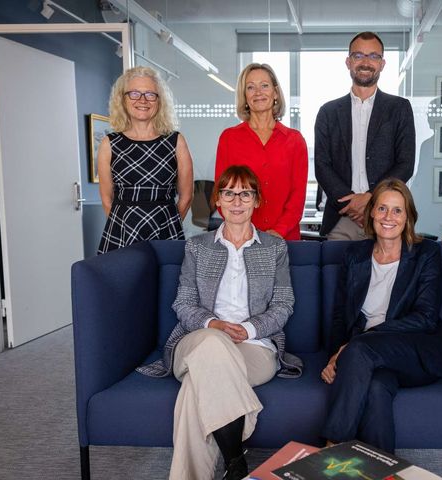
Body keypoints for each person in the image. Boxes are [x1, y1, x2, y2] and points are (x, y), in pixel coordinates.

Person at [137, 165, 302, 480]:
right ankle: (235, 456)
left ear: (256, 201)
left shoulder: (274, 247)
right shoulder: (198, 246)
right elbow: (183, 304)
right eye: (229, 193)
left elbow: (284, 305)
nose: (237, 201)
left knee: (192, 389)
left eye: (245, 194)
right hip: (198, 338)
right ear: (218, 201)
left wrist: (249, 329)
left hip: (254, 347)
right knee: (213, 345)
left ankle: (219, 469)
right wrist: (214, 325)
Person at [320, 178, 442, 453]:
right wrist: (335, 355)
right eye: (381, 209)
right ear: (371, 214)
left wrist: (357, 344)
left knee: (361, 350)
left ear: (408, 217)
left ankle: (331, 446)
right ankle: (382, 469)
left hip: (413, 350)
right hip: (365, 357)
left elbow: (426, 317)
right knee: (377, 389)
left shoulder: (426, 253)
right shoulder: (355, 255)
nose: (388, 217)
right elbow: (339, 316)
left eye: (397, 210)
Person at [315, 31, 416, 240]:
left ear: (382, 63)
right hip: (341, 219)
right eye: (358, 56)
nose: (366, 62)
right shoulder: (328, 112)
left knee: (385, 273)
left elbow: (405, 163)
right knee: (338, 274)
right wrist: (351, 203)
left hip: (385, 217)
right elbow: (322, 166)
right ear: (348, 61)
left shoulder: (399, 109)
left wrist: (371, 199)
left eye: (373, 56)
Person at [98, 66, 193, 254]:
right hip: (122, 235)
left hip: (166, 232)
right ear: (123, 100)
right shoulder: (109, 144)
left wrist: (168, 224)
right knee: (124, 283)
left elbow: (186, 197)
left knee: (167, 283)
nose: (142, 100)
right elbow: (107, 200)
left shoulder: (176, 141)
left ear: (160, 101)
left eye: (150, 94)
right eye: (134, 93)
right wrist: (124, 226)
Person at [214, 63, 308, 240]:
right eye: (250, 87)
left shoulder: (294, 140)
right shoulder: (229, 138)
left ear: (275, 92)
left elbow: (297, 198)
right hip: (240, 239)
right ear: (245, 96)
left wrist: (278, 232)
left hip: (284, 240)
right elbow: (222, 193)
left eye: (264, 85)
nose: (258, 92)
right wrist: (246, 231)